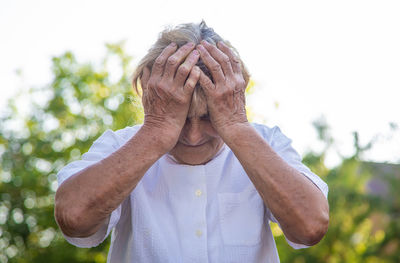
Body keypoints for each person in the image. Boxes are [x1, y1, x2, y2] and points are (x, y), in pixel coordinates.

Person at [54, 21, 329, 263]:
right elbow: (74, 218)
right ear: (150, 99)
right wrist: (158, 130)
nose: (193, 136)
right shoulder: (120, 145)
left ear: (235, 98)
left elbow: (311, 226)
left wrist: (234, 126)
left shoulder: (266, 142)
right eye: (181, 118)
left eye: (209, 117)